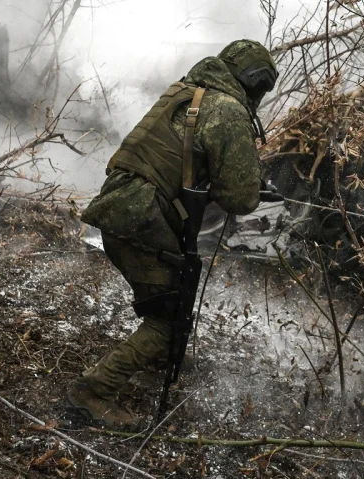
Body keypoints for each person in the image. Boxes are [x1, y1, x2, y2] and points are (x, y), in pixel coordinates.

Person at [67, 39, 279, 428]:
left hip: (123, 207)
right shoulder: (228, 110)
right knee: (167, 320)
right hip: (142, 218)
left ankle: (160, 355)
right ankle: (93, 391)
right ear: (254, 83)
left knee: (169, 295)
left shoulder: (184, 91)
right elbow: (241, 198)